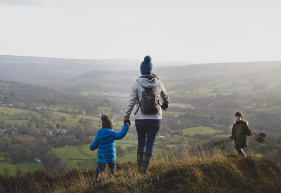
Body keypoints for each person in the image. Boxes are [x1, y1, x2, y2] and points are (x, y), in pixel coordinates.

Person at [124, 55, 169, 173]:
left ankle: (139, 169)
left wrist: (126, 117)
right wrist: (165, 104)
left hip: (140, 119)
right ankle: (145, 170)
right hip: (155, 119)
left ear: (141, 70)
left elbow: (130, 103)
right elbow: (165, 96)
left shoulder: (136, 84)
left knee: (141, 143)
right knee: (150, 143)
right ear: (151, 69)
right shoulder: (158, 82)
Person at [89, 114, 129, 184]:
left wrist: (90, 147)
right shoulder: (112, 133)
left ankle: (95, 180)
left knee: (99, 167)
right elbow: (120, 135)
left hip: (102, 157)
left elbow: (93, 146)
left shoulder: (99, 134)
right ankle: (110, 177)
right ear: (110, 126)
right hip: (111, 157)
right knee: (112, 166)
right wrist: (125, 126)